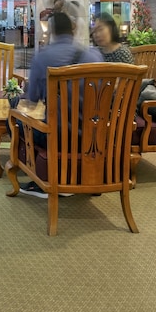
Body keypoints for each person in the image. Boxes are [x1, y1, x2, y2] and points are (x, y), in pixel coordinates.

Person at [18, 12, 102, 198]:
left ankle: (44, 179)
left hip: (57, 135)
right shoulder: (94, 56)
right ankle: (81, 178)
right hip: (93, 136)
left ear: (52, 31)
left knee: (16, 123)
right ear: (73, 30)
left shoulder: (43, 58)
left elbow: (32, 101)